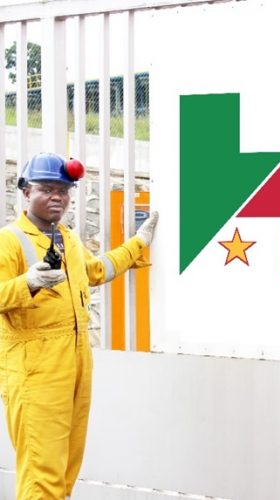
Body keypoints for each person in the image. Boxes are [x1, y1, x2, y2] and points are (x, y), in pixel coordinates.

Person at [0, 152, 159, 499]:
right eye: (46, 189)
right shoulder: (9, 240)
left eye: (63, 191)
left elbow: (95, 271)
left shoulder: (66, 238)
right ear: (26, 192)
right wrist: (28, 283)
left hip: (74, 361)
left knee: (66, 470)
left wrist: (138, 244)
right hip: (35, 369)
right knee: (42, 475)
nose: (57, 197)